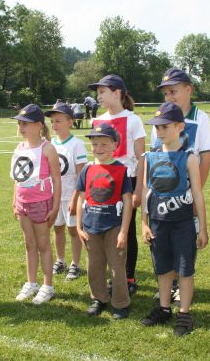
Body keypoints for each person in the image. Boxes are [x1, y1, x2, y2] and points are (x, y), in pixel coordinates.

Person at [140, 102, 208, 336]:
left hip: (182, 223)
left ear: (180, 127)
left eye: (165, 127)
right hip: (158, 222)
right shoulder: (150, 157)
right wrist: (144, 222)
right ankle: (164, 307)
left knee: (184, 269)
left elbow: (197, 193)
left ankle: (184, 313)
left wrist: (204, 228)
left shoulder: (189, 158)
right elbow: (145, 192)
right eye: (157, 127)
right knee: (163, 269)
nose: (159, 131)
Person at [150, 68, 210, 303]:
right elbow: (155, 156)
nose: (170, 96)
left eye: (174, 91)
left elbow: (205, 158)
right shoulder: (160, 119)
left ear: (189, 90)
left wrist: (196, 195)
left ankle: (180, 284)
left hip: (187, 193)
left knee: (184, 242)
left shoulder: (201, 117)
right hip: (163, 193)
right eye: (166, 93)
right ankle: (169, 284)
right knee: (163, 240)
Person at [89, 74, 146, 295]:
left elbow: (142, 158)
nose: (98, 96)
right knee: (105, 231)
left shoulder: (133, 120)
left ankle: (128, 277)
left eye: (102, 91)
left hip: (127, 183)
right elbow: (95, 158)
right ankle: (111, 277)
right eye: (98, 92)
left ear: (117, 93)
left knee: (127, 232)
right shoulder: (97, 121)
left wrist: (138, 189)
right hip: (102, 184)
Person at [76, 123, 133, 319]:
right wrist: (78, 226)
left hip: (113, 226)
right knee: (94, 265)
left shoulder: (121, 170)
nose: (99, 149)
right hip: (91, 225)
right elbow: (81, 198)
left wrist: (124, 231)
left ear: (114, 145)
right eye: (95, 144)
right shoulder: (87, 169)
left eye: (104, 144)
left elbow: (127, 202)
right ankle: (99, 298)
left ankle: (121, 302)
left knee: (117, 266)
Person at [11, 104, 61, 304]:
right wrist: (15, 200)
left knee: (43, 244)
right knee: (29, 244)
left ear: (39, 125)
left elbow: (57, 179)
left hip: (41, 203)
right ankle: (31, 283)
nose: (21, 127)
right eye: (20, 124)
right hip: (22, 203)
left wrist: (55, 207)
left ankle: (47, 286)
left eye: (26, 124)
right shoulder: (20, 147)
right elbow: (17, 178)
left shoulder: (47, 148)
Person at [44, 103, 88, 280]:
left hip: (71, 195)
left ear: (70, 122)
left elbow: (81, 174)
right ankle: (60, 260)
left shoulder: (77, 144)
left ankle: (75, 264)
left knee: (73, 230)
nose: (54, 125)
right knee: (58, 228)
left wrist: (75, 198)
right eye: (52, 121)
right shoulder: (49, 144)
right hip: (54, 197)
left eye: (58, 121)